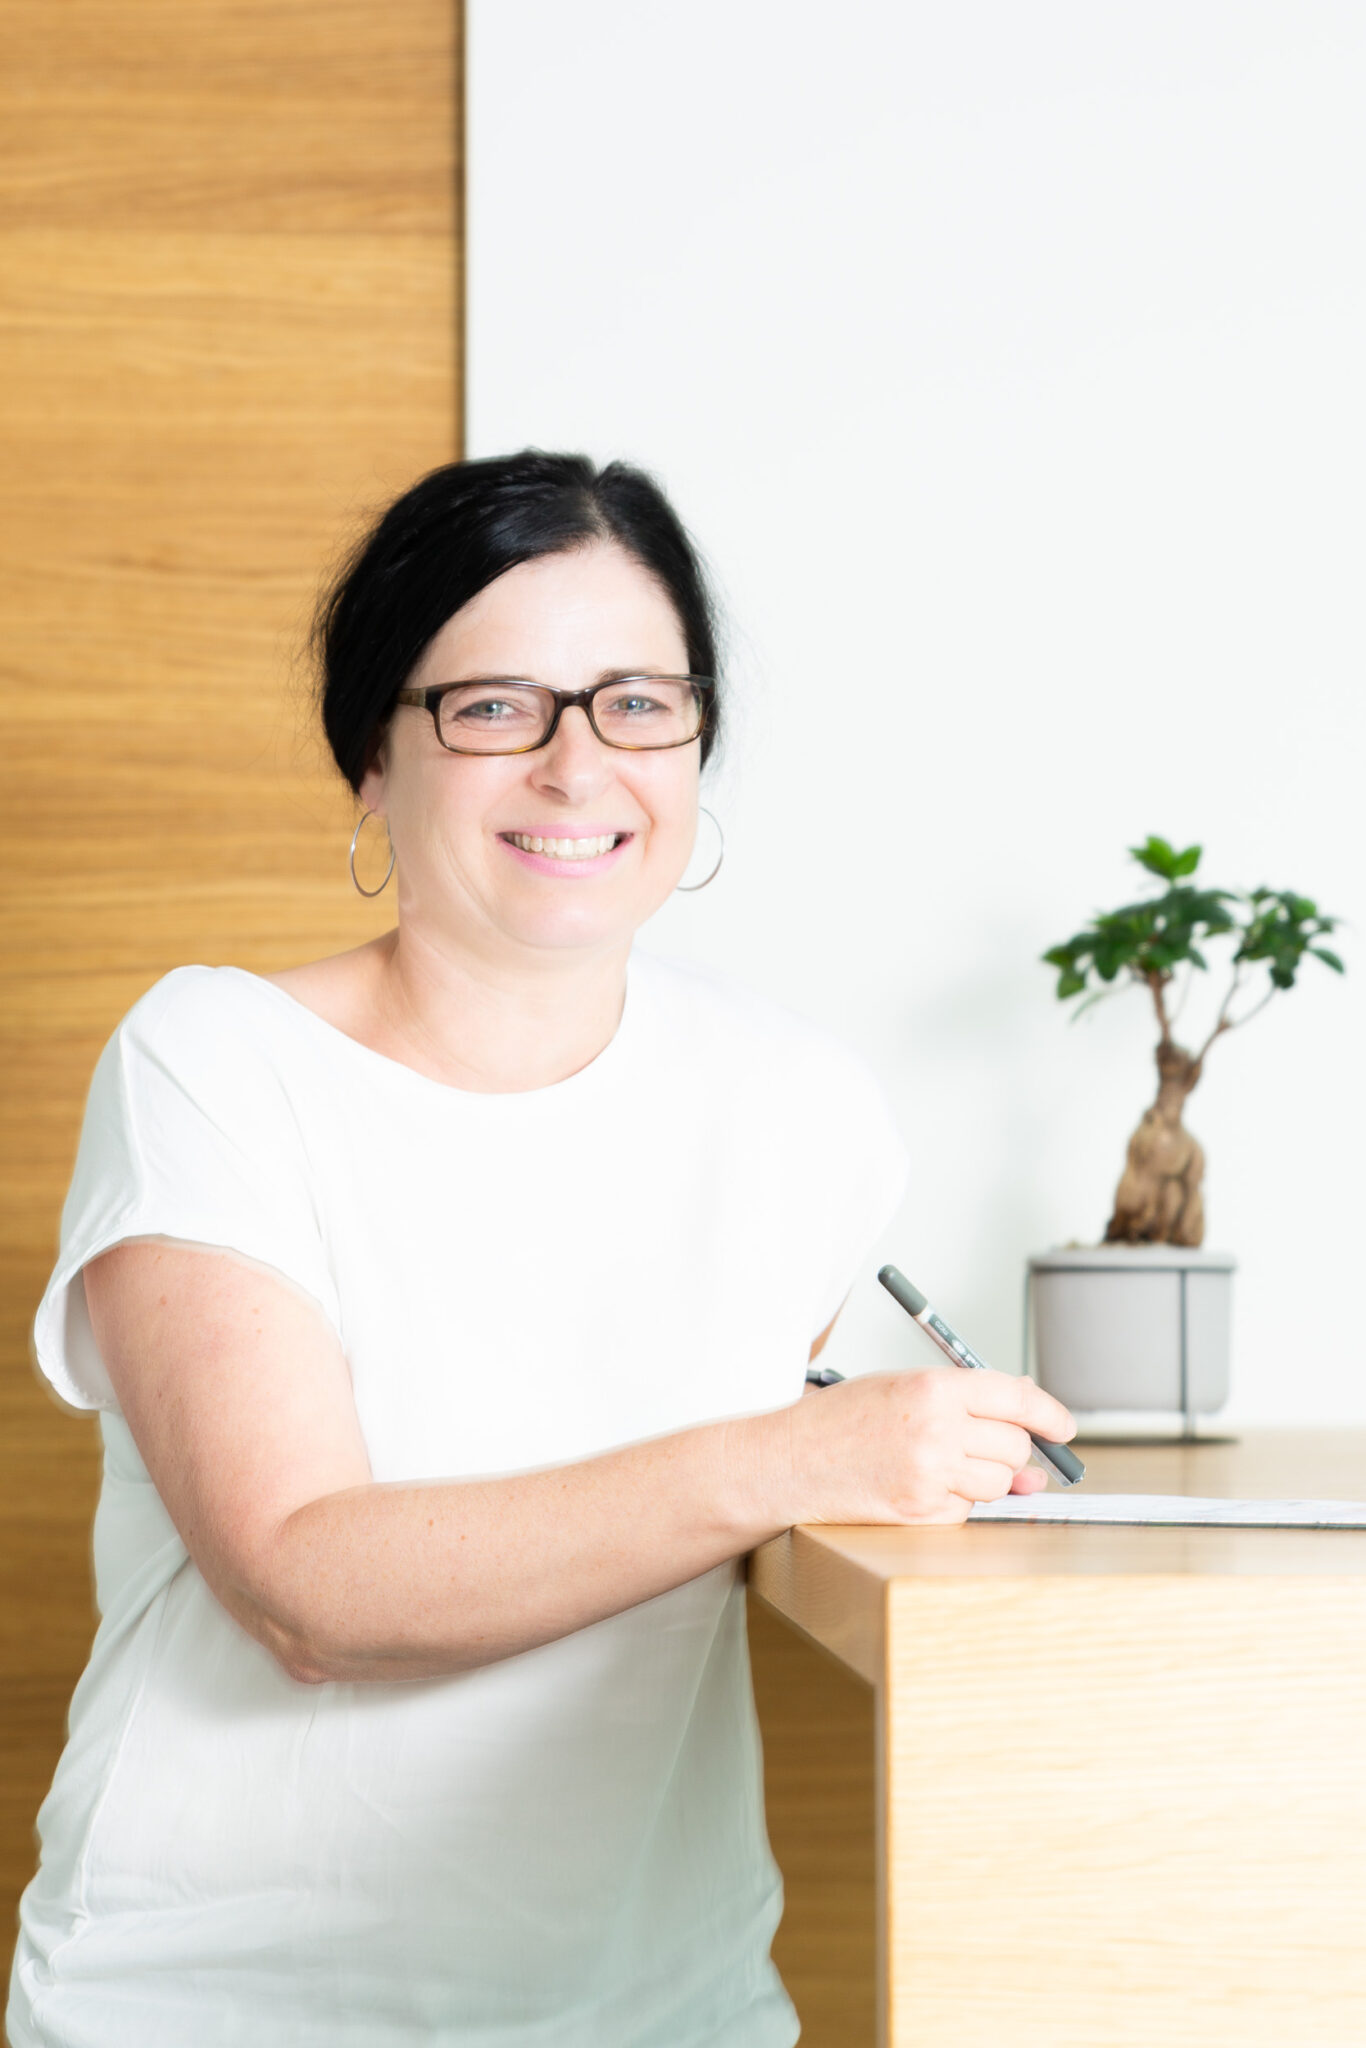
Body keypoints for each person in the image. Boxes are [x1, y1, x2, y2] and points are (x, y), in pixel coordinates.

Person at [7, 451, 1074, 2048]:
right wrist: (790, 1456)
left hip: (665, 2010)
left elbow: (830, 1502)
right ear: (373, 757)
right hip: (220, 2007)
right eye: (496, 706)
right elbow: (308, 1589)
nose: (579, 766)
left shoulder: (798, 1105)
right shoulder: (212, 1063)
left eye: (637, 702)